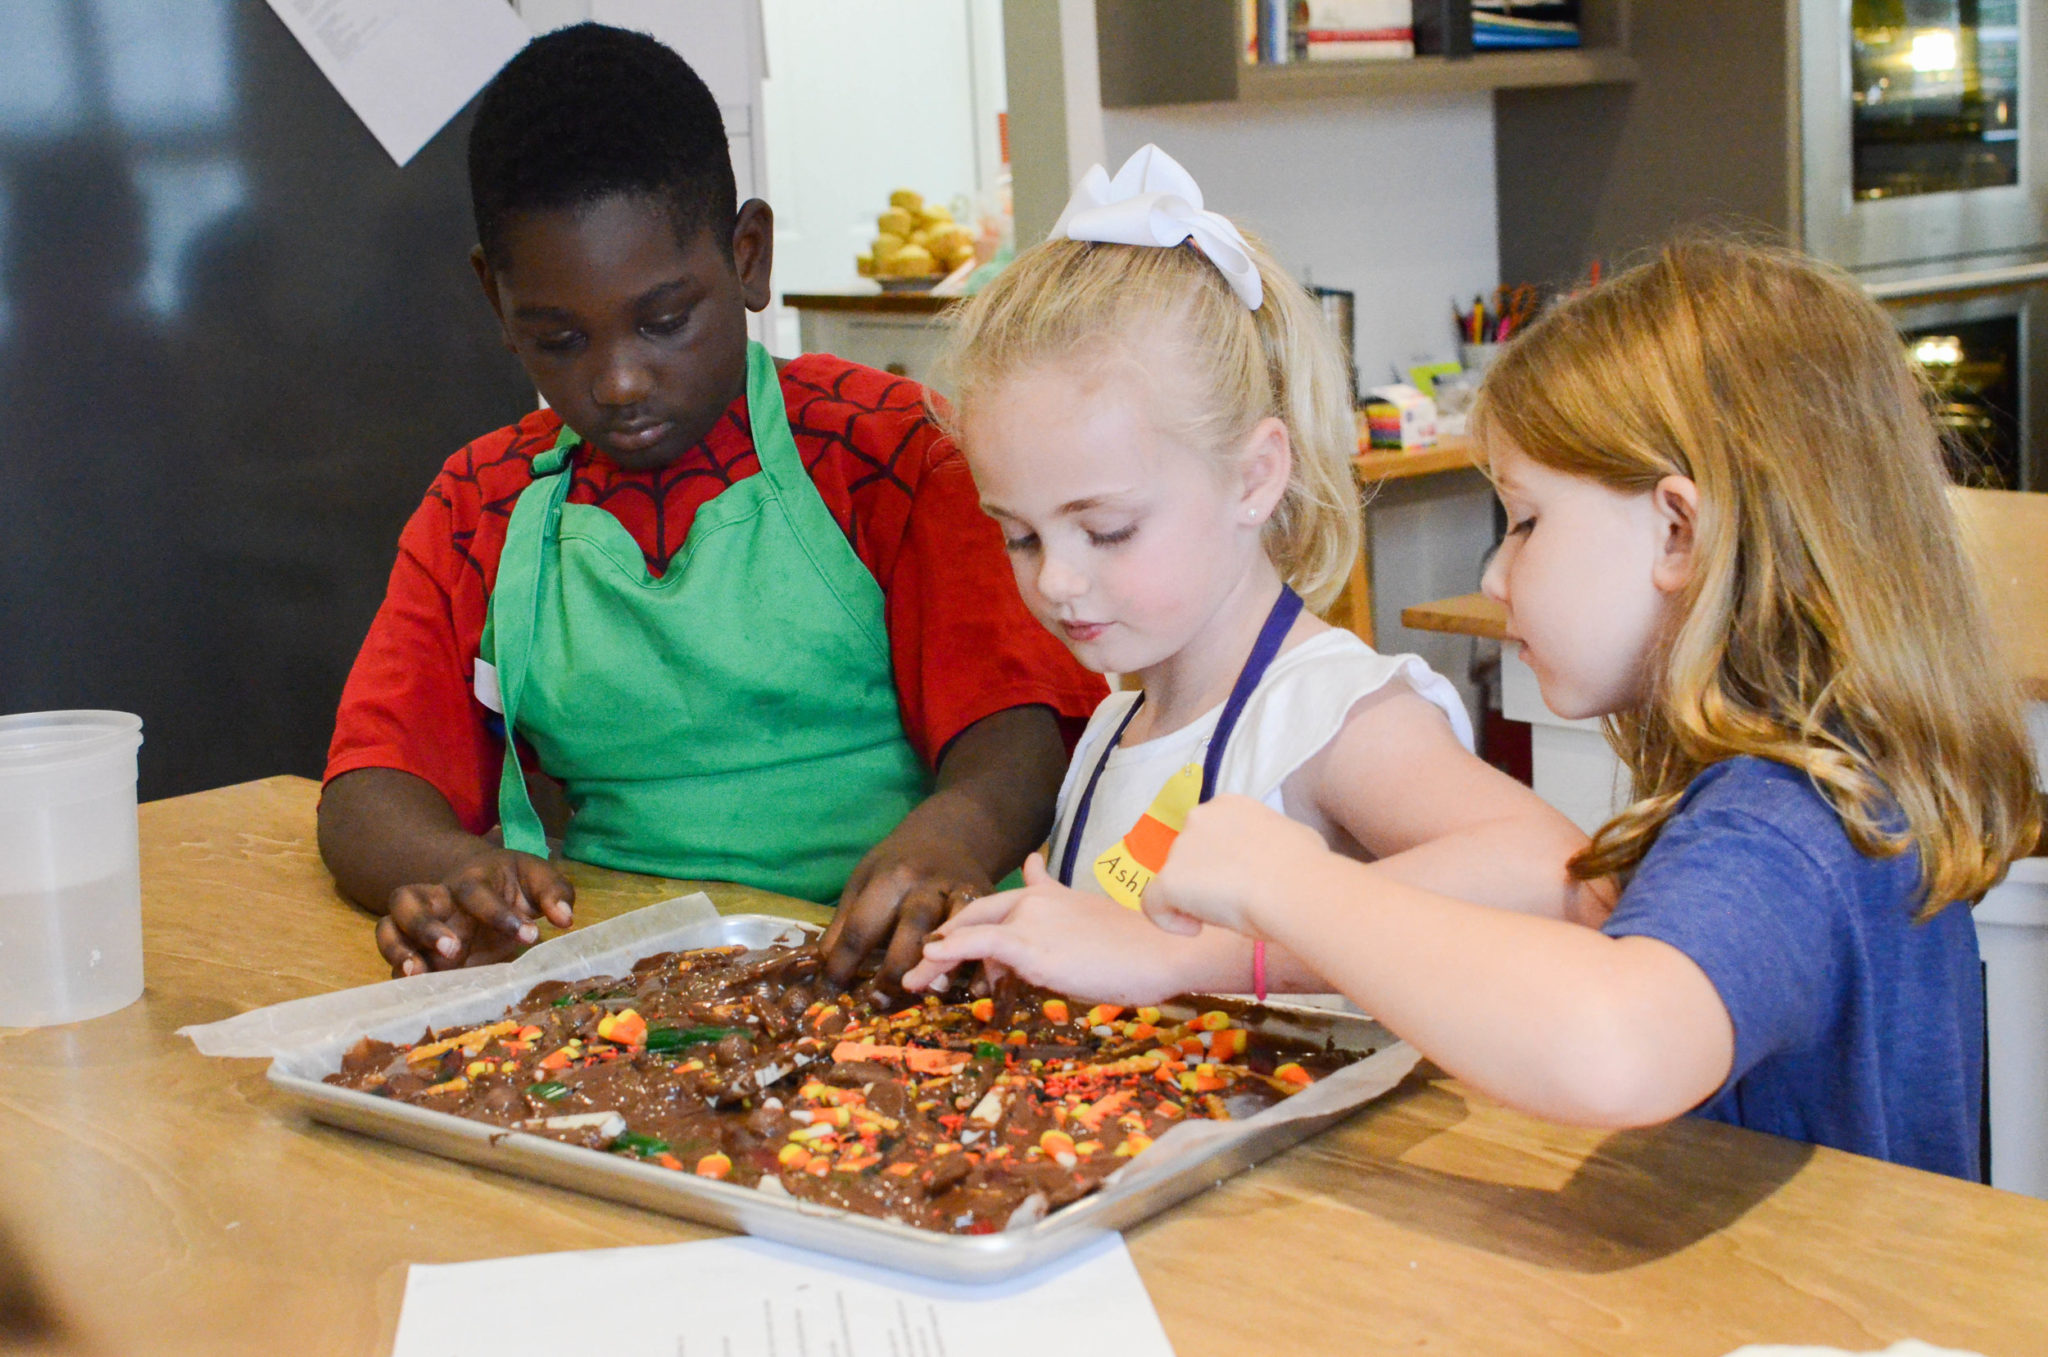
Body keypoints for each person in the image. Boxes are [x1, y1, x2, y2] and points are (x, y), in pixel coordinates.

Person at [1126, 240, 2041, 1178]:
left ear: (1679, 531)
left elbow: (1617, 1043)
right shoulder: (1832, 773)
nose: (1493, 572)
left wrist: (1294, 882)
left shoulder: (1784, 818)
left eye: (1524, 521)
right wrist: (1211, 955)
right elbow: (1560, 919)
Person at [318, 25, 1103, 987]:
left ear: (748, 256)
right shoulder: (479, 506)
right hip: (609, 985)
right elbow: (366, 792)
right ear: (495, 299)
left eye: (665, 319)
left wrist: (956, 835)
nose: (618, 381)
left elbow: (1022, 731)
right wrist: (453, 875)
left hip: (876, 964)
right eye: (557, 337)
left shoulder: (894, 453)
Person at [902, 146, 1592, 1005]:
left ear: (1254, 477)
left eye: (1107, 530)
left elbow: (1557, 875)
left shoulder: (1332, 717)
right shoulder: (1119, 723)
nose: (1057, 581)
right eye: (1020, 537)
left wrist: (1206, 958)